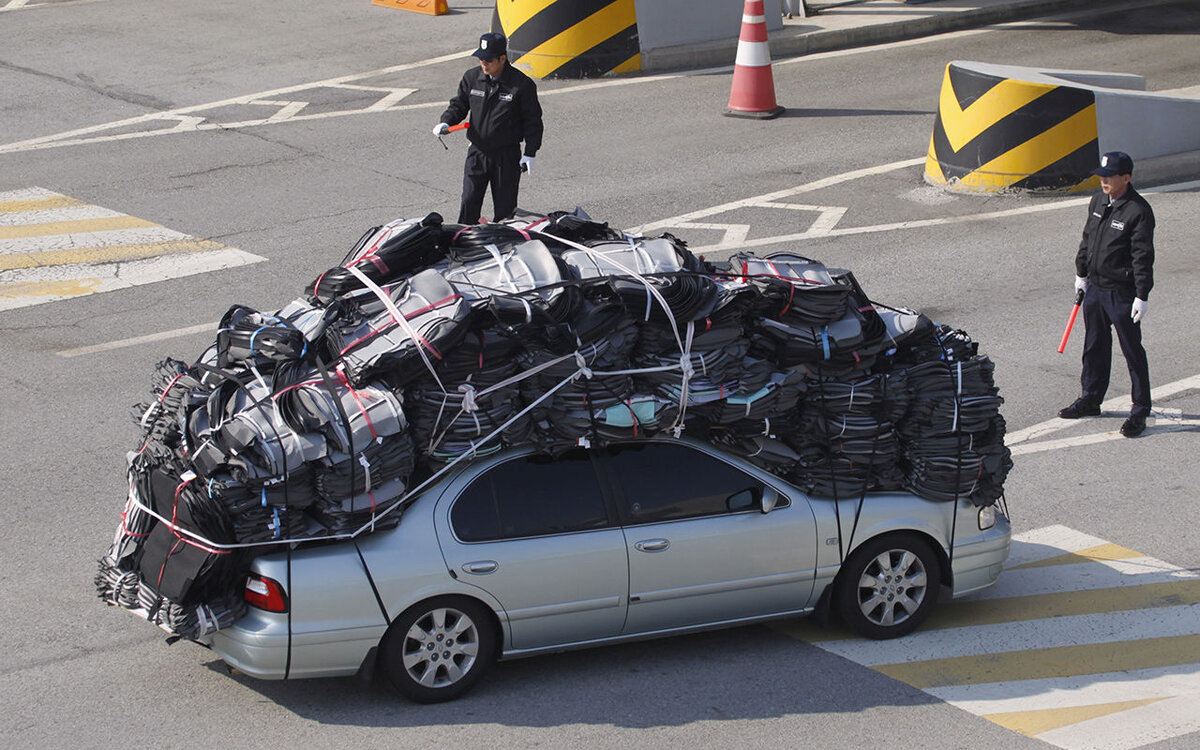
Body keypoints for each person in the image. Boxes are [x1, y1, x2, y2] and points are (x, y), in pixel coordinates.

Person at [1058, 151, 1155, 438]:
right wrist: (1081, 273)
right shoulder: (1098, 201)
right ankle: (1091, 398)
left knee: (1132, 351)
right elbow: (1088, 238)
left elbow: (1143, 256)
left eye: (1110, 177)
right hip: (1097, 290)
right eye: (1102, 176)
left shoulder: (1138, 211)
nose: (1104, 181)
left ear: (1126, 177)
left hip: (1122, 293)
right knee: (1094, 346)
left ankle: (1139, 409)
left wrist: (1142, 295)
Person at [434, 32, 543, 225]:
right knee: (469, 202)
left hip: (506, 157)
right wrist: (446, 121)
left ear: (502, 58)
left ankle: (504, 248)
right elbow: (459, 105)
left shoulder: (521, 85)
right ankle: (464, 246)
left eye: (489, 59)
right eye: (481, 58)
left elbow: (533, 121)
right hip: (477, 153)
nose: (484, 63)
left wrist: (530, 153)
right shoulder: (472, 78)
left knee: (505, 210)